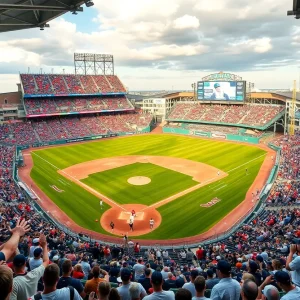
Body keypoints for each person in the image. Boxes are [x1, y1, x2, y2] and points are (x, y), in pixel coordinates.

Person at [11, 233, 49, 300]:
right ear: (25, 264)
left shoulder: (12, 283)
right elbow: (46, 261)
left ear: (13, 265)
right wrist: (44, 246)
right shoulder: (34, 274)